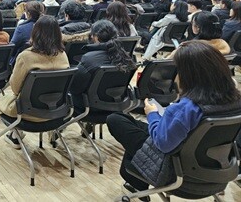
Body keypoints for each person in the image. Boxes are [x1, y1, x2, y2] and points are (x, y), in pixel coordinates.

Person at [107, 41, 241, 196]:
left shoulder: (187, 108)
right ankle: (135, 183)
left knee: (117, 121)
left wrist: (152, 114)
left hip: (180, 176)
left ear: (188, 74)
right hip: (220, 172)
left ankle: (136, 182)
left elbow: (163, 144)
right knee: (131, 125)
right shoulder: (235, 100)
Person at [0, 16, 70, 148]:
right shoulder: (63, 54)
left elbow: (15, 88)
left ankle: (15, 136)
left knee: (3, 100)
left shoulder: (25, 56)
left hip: (28, 113)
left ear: (35, 33)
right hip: (57, 112)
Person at [69, 20, 136, 115]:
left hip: (90, 108)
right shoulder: (127, 58)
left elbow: (75, 87)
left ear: (95, 37)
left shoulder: (89, 59)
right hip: (118, 105)